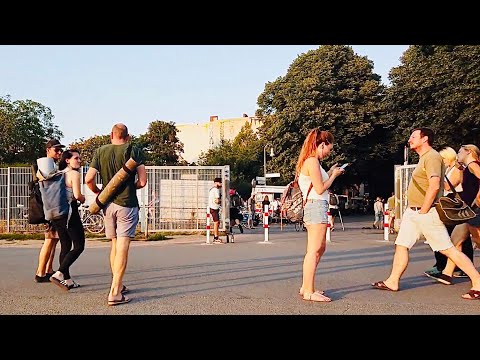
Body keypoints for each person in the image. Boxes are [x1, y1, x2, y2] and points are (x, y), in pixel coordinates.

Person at [371, 128, 480, 300]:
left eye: (414, 136)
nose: (410, 139)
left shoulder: (432, 157)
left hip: (425, 212)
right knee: (402, 245)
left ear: (425, 139)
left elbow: (435, 185)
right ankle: (393, 281)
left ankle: (477, 282)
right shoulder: (425, 158)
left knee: (448, 250)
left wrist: (424, 210)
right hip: (413, 212)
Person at [85, 123, 147, 306]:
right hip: (127, 204)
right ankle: (114, 292)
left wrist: (99, 192)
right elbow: (142, 181)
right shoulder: (133, 149)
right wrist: (130, 187)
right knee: (123, 246)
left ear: (111, 135)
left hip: (107, 205)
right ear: (127, 137)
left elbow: (88, 179)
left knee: (114, 245)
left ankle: (117, 284)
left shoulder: (100, 151)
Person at [296, 128, 344, 302]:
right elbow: (320, 188)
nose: (328, 153)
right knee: (314, 250)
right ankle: (308, 290)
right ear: (322, 144)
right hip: (315, 206)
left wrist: (330, 172)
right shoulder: (312, 162)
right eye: (329, 149)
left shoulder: (312, 162)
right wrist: (334, 176)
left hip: (317, 205)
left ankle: (306, 285)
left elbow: (318, 184)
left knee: (320, 248)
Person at [427, 144, 480, 292]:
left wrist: (478, 197)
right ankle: (447, 274)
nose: (457, 154)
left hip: (474, 209)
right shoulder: (465, 168)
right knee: (455, 241)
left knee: (477, 240)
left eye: (460, 151)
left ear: (469, 152)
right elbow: (449, 186)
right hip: (467, 210)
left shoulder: (473, 165)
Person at [49, 149, 86, 291]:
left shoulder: (58, 174)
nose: (79, 160)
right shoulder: (74, 174)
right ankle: (59, 273)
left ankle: (68, 280)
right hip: (70, 213)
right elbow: (77, 195)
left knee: (65, 245)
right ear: (67, 160)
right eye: (76, 158)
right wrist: (83, 198)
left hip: (57, 214)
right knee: (79, 246)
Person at [34, 139, 64, 283]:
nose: (59, 152)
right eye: (56, 150)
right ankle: (40, 272)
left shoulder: (52, 164)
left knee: (54, 239)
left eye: (60, 150)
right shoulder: (44, 164)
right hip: (49, 207)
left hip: (52, 206)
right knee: (49, 239)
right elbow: (47, 184)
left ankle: (48, 269)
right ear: (48, 150)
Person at [208, 177, 222, 243]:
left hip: (213, 208)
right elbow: (217, 200)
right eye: (220, 183)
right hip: (214, 208)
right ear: (216, 183)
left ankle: (216, 236)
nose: (221, 184)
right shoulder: (216, 190)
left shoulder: (212, 189)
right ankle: (216, 238)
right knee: (216, 223)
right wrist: (220, 202)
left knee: (217, 222)